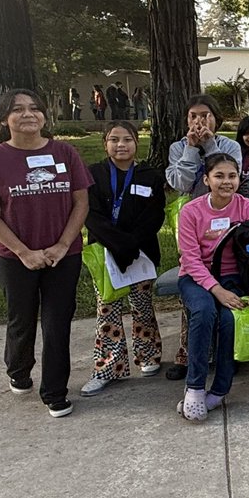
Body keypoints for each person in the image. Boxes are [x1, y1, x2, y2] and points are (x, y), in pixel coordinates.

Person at [0, 89, 92, 417]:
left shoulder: (65, 153)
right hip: (15, 258)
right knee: (21, 319)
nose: (28, 114)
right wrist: (24, 252)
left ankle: (54, 391)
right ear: (5, 117)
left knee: (57, 322)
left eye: (35, 108)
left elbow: (81, 202)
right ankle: (18, 369)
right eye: (18, 109)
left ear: (44, 115)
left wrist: (63, 245)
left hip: (62, 256)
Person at [176, 153, 249, 421]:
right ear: (206, 179)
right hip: (196, 277)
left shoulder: (245, 206)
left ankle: (220, 390)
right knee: (204, 312)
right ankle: (195, 388)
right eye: (219, 176)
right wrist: (216, 291)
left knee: (228, 320)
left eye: (232, 176)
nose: (227, 182)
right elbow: (190, 259)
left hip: (232, 277)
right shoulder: (191, 211)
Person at [82, 120, 165, 395]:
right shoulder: (93, 174)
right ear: (105, 143)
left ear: (136, 143)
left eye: (127, 139)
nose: (121, 145)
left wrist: (131, 244)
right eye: (114, 139)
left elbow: (155, 215)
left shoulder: (149, 175)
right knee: (108, 310)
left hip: (140, 254)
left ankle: (149, 356)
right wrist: (118, 245)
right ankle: (108, 367)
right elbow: (90, 215)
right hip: (105, 255)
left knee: (142, 307)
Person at [165, 94, 242, 380]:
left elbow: (230, 177)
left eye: (205, 115)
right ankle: (188, 353)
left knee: (224, 285)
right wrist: (190, 148)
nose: (199, 122)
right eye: (193, 116)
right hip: (191, 219)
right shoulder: (177, 147)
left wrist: (209, 145)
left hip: (224, 220)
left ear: (216, 118)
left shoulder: (228, 145)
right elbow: (179, 183)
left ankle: (226, 353)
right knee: (195, 287)